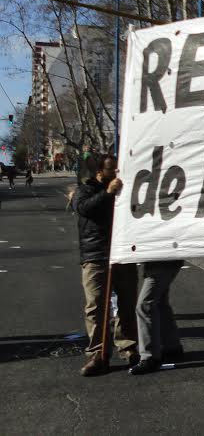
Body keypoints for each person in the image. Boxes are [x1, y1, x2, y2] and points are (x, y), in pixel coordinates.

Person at [73, 153, 140, 376]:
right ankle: (98, 353)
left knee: (127, 304)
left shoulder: (126, 189)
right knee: (96, 307)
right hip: (96, 257)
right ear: (100, 172)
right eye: (112, 169)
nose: (117, 173)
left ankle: (128, 348)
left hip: (122, 254)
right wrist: (108, 193)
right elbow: (85, 209)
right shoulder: (85, 190)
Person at [129, 260, 185, 375]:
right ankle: (172, 347)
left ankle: (150, 357)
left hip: (161, 261)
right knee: (159, 302)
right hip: (163, 260)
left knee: (145, 305)